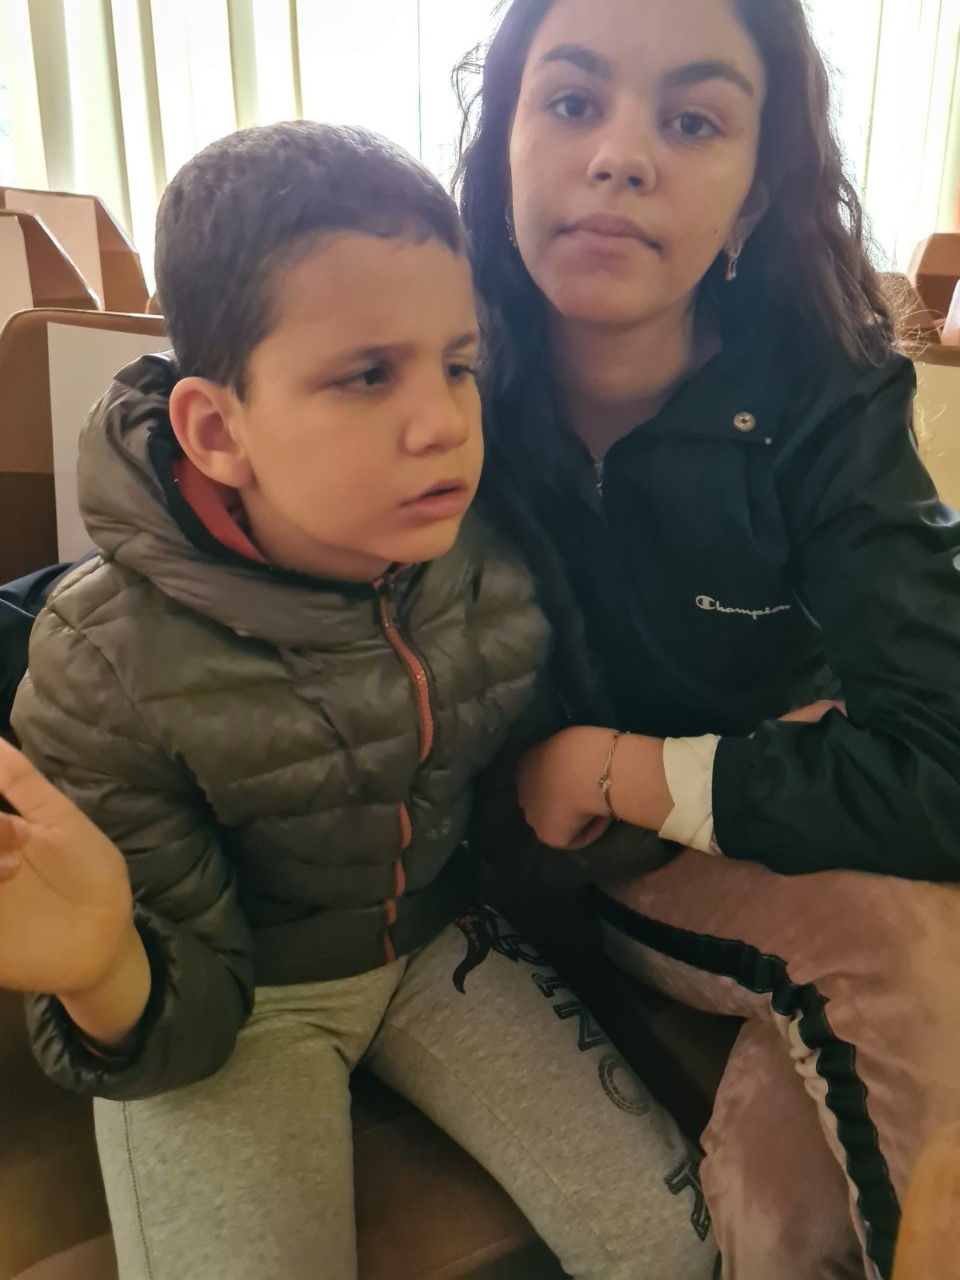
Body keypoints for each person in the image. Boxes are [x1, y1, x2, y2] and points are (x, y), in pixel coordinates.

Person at [0, 122, 716, 1280]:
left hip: (439, 940)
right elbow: (173, 1010)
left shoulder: (495, 555)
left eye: (457, 365)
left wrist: (650, 774)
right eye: (368, 375)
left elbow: (536, 808)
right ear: (217, 431)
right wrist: (102, 969)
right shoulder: (102, 666)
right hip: (228, 1001)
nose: (442, 422)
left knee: (674, 1247)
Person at [453, 1, 960, 1278]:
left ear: (751, 198)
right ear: (505, 141)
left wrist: (623, 764)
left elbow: (944, 750)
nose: (621, 156)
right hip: (587, 864)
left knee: (800, 1203)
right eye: (574, 102)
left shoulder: (825, 389)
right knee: (904, 947)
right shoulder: (436, 372)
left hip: (780, 793)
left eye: (692, 121)